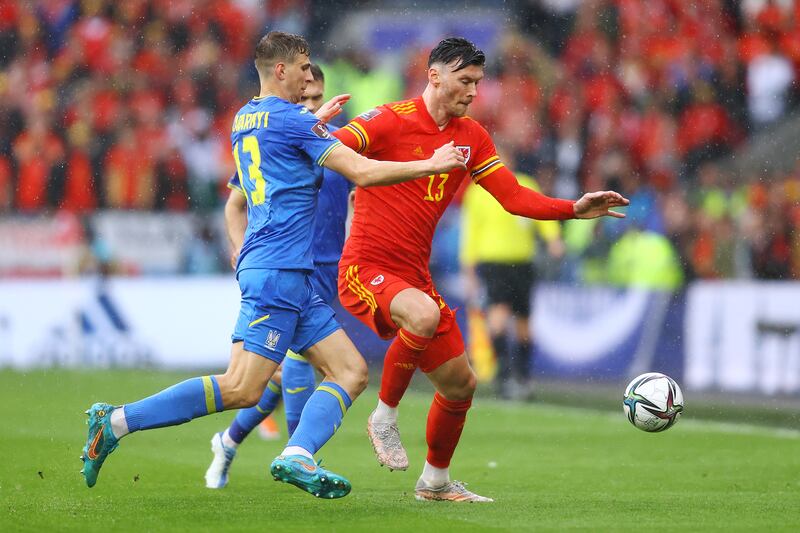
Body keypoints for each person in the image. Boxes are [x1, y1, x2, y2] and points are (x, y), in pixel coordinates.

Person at [79, 31, 467, 499]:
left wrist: (314, 125)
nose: (310, 74)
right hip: (280, 271)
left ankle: (296, 453)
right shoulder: (293, 122)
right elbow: (362, 172)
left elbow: (269, 167)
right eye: (304, 67)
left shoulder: (246, 117)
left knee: (350, 371)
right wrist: (431, 163)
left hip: (283, 270)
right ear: (281, 70)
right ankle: (118, 421)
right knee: (242, 387)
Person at [333, 37, 628, 502]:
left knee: (460, 384)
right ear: (435, 76)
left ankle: (434, 482)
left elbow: (514, 196)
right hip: (365, 266)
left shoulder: (471, 137)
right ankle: (384, 416)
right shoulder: (388, 120)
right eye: (464, 81)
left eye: (477, 83)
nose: (473, 92)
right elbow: (329, 150)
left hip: (415, 275)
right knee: (425, 316)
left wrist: (573, 208)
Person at [205, 64, 353, 489]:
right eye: (304, 97)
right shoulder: (278, 140)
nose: (310, 104)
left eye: (316, 98)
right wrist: (238, 247)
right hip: (286, 267)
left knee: (270, 377)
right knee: (295, 366)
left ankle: (229, 441)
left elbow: (359, 197)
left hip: (326, 266)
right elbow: (234, 205)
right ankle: (298, 457)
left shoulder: (334, 142)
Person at [460, 160, 565, 400]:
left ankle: (522, 377)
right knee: (498, 316)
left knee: (524, 325)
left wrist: (553, 238)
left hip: (522, 263)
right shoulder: (478, 192)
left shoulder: (524, 184)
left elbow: (542, 212)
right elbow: (471, 232)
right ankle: (506, 377)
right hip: (494, 262)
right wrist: (469, 269)